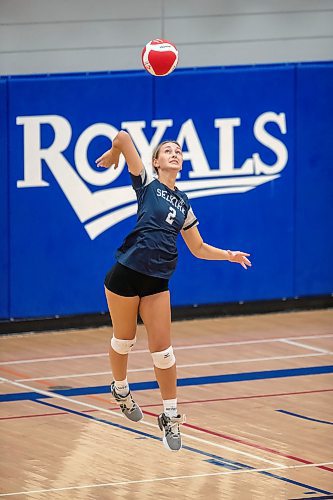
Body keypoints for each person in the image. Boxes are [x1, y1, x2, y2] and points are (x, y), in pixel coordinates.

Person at [95, 131, 251, 452]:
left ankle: (169, 416)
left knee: (163, 352)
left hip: (158, 279)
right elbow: (124, 137)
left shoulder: (184, 203)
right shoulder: (146, 184)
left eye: (179, 151)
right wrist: (115, 154)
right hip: (126, 272)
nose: (175, 154)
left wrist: (228, 255)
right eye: (168, 150)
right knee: (124, 340)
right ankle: (121, 388)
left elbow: (198, 247)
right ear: (156, 162)